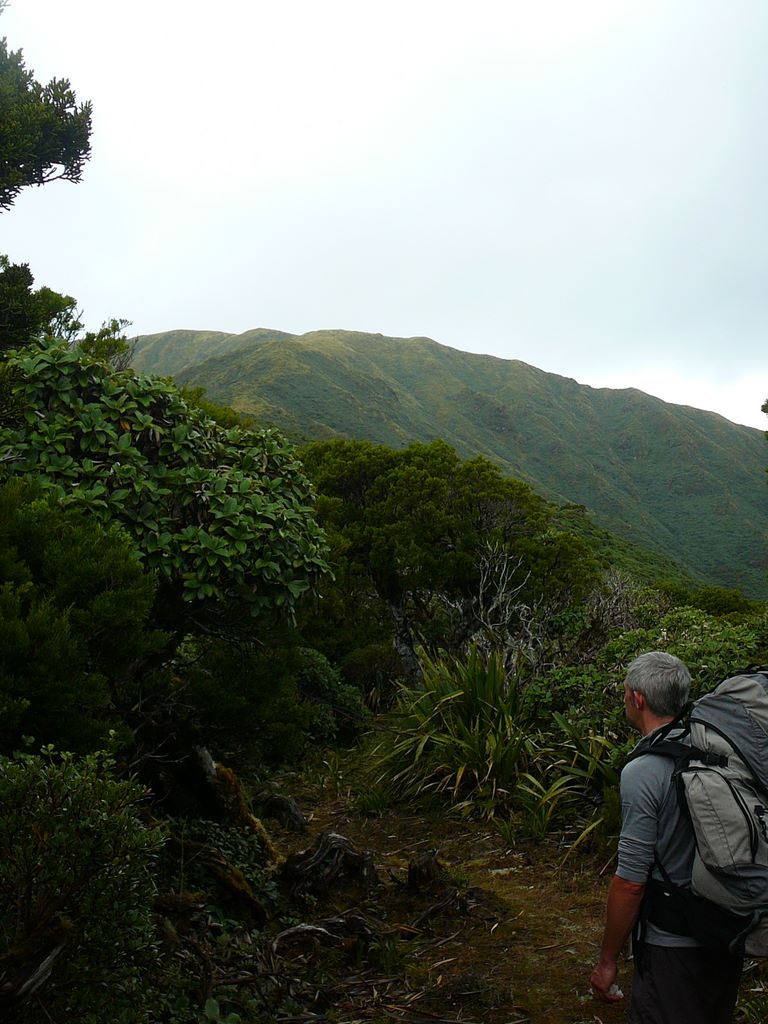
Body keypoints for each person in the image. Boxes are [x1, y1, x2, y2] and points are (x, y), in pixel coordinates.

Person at [589, 651, 743, 1023]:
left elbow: (630, 883)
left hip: (671, 945)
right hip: (726, 931)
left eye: (625, 693)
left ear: (637, 699)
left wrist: (607, 960)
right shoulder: (716, 751)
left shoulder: (644, 771)